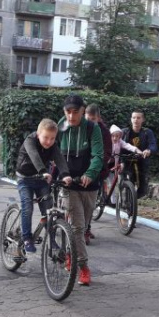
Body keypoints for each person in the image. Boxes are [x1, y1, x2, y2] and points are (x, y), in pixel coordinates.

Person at [57, 94, 104, 286]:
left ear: (83, 111)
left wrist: (90, 174)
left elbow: (98, 155)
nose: (71, 116)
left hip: (89, 185)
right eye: (68, 112)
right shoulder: (61, 126)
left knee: (82, 227)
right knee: (76, 227)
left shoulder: (93, 129)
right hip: (68, 184)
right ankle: (83, 267)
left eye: (75, 112)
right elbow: (52, 150)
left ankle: (70, 253)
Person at [15, 119, 72, 254]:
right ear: (38, 134)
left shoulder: (52, 145)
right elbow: (34, 155)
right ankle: (27, 238)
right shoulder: (30, 140)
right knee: (27, 207)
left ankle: (51, 239)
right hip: (25, 179)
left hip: (41, 179)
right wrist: (42, 171)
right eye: (45, 137)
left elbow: (60, 159)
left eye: (52, 138)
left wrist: (65, 174)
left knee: (48, 209)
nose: (49, 141)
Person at [83, 104, 112, 244]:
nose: (90, 121)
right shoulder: (80, 128)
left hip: (97, 171)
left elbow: (106, 153)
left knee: (90, 203)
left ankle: (86, 229)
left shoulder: (104, 132)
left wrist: (94, 168)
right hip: (79, 170)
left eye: (93, 119)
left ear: (98, 118)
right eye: (87, 118)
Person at [121, 110, 157, 199]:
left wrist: (149, 150)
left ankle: (134, 200)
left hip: (142, 160)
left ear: (143, 120)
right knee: (129, 180)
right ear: (131, 119)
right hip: (127, 160)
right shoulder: (124, 132)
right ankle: (128, 201)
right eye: (134, 117)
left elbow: (153, 144)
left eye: (138, 118)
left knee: (143, 186)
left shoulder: (147, 132)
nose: (136, 120)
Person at [107, 124, 142, 205]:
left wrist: (138, 151)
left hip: (113, 163)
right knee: (102, 180)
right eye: (113, 136)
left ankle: (113, 201)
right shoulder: (107, 142)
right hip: (104, 163)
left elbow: (128, 146)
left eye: (118, 136)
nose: (115, 138)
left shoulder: (120, 142)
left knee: (113, 182)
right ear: (110, 135)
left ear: (120, 137)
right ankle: (99, 194)